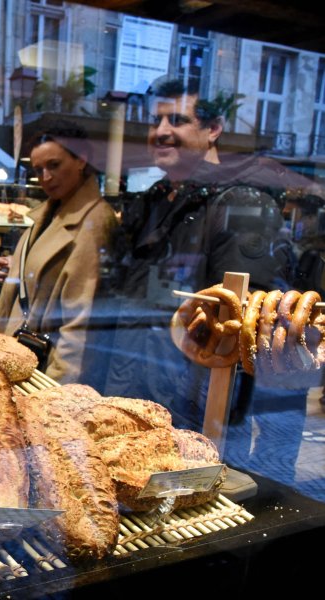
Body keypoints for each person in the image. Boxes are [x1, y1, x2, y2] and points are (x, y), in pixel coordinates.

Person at [100, 77, 303, 484]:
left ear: (213, 129)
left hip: (194, 409)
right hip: (134, 392)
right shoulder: (154, 201)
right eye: (156, 120)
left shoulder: (241, 203)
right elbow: (125, 304)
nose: (161, 132)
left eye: (177, 120)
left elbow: (239, 331)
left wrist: (204, 420)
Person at [0, 122, 116, 384]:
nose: (45, 177)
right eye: (38, 169)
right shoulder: (51, 213)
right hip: (20, 356)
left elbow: (78, 322)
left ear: (81, 160)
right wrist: (19, 270)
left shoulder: (94, 221)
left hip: (46, 370)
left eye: (54, 165)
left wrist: (59, 390)